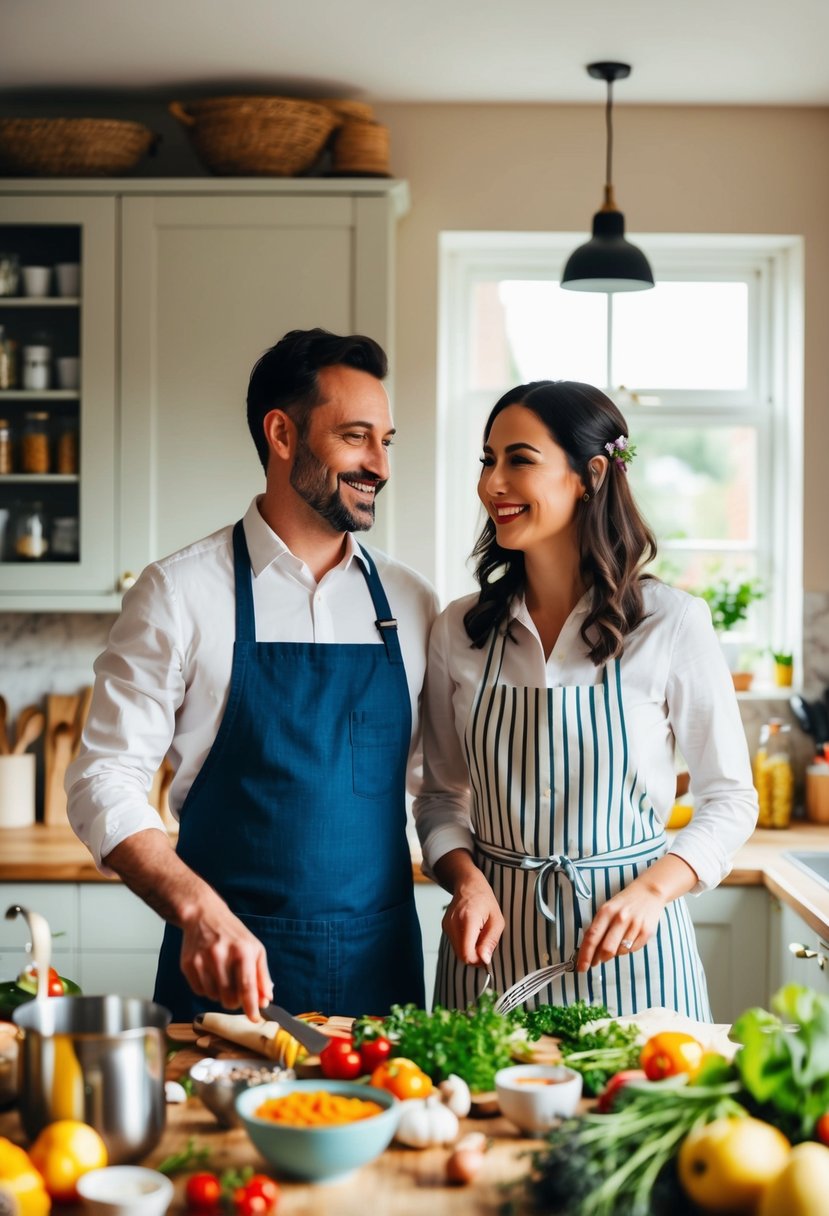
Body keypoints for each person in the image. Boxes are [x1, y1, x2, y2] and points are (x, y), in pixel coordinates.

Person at [67, 328, 439, 1022]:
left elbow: (441, 791)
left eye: (387, 441)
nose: (379, 464)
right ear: (281, 434)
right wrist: (197, 911)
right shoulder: (177, 593)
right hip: (222, 972)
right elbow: (101, 782)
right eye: (357, 436)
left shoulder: (412, 602)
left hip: (380, 970)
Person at [413, 380, 758, 1018]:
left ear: (591, 474)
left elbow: (730, 797)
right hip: (491, 954)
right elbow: (441, 796)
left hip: (635, 956)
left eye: (520, 459)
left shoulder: (671, 622)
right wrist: (464, 881)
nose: (493, 483)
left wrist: (654, 891)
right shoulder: (459, 630)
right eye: (488, 460)